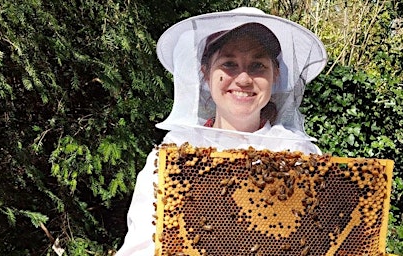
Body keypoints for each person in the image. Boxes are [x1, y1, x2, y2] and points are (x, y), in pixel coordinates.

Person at [116, 7, 328, 255]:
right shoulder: (172, 156)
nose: (244, 79)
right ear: (206, 73)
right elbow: (141, 247)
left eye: (258, 65)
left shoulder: (299, 153)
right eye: (229, 64)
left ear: (275, 75)